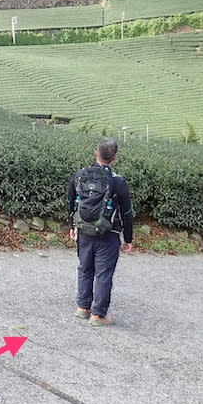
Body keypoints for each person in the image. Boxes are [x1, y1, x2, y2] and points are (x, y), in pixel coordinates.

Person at [67, 137, 134, 326]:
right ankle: (98, 315)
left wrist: (72, 227)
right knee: (103, 274)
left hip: (84, 231)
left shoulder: (80, 175)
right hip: (108, 233)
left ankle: (82, 308)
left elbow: (70, 203)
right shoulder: (118, 182)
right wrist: (127, 238)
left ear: (96, 153)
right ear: (115, 158)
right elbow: (127, 213)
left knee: (85, 267)